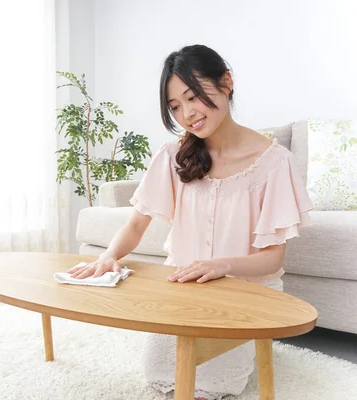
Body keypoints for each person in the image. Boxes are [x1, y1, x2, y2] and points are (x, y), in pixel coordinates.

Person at [66, 44, 314, 400]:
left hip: (247, 294)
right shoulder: (173, 155)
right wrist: (109, 256)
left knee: (209, 387)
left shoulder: (275, 163)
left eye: (192, 96)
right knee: (162, 377)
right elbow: (136, 225)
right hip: (183, 290)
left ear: (226, 83)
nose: (187, 114)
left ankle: (251, 346)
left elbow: (273, 258)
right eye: (175, 106)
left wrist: (220, 266)